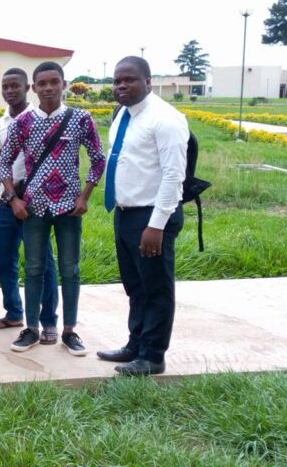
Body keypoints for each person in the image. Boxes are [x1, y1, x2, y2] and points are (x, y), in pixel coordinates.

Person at [0, 61, 106, 355]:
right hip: (34, 208)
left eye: (53, 82)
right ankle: (32, 328)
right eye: (42, 83)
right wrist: (13, 198)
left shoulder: (80, 119)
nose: (48, 88)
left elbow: (98, 159)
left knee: (70, 269)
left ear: (64, 84)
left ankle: (69, 331)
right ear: (34, 88)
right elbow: (4, 161)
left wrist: (85, 196)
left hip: (69, 207)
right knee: (34, 269)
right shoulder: (23, 122)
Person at [97, 56, 189, 376]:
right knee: (135, 286)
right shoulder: (122, 114)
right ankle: (135, 345)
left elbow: (173, 176)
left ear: (148, 82)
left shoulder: (165, 119)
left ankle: (153, 355)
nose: (121, 86)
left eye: (130, 79)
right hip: (125, 213)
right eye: (117, 81)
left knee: (156, 288)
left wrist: (156, 225)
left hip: (152, 217)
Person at [0, 68, 59, 335]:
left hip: (35, 204)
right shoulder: (1, 124)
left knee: (43, 263)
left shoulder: (41, 120)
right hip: (6, 202)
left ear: (28, 89)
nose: (9, 91)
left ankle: (49, 320)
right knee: (5, 260)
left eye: (15, 86)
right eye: (5, 87)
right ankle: (14, 313)